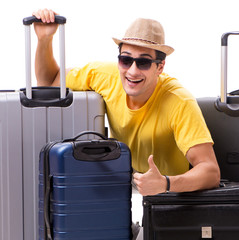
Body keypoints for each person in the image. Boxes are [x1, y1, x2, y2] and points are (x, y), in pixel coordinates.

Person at [32, 8, 220, 239]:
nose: (132, 71)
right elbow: (48, 83)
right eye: (126, 59)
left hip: (168, 191)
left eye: (143, 63)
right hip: (124, 176)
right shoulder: (103, 75)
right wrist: (44, 39)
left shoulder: (179, 102)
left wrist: (165, 183)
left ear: (159, 67)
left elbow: (210, 172)